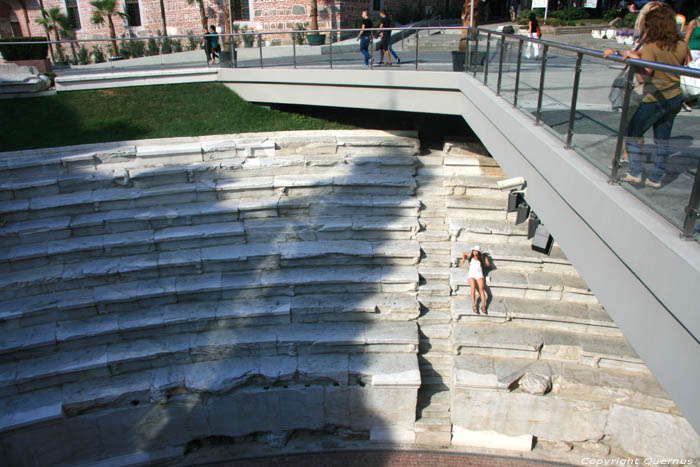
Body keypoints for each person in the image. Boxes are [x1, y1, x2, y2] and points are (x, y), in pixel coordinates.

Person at [618, 6, 690, 188]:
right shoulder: (681, 44)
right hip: (674, 97)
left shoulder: (652, 47)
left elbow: (644, 76)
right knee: (662, 139)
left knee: (633, 131)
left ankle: (635, 172)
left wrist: (632, 60)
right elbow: (686, 63)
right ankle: (656, 177)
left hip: (655, 98)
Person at [460, 245, 491, 314]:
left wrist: (486, 258)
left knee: (481, 289)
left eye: (476, 251)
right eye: (474, 251)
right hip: (472, 274)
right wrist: (463, 259)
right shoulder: (471, 255)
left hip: (479, 274)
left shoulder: (481, 257)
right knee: (473, 288)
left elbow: (488, 265)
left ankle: (483, 305)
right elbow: (464, 253)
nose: (475, 252)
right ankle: (474, 304)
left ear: (479, 252)